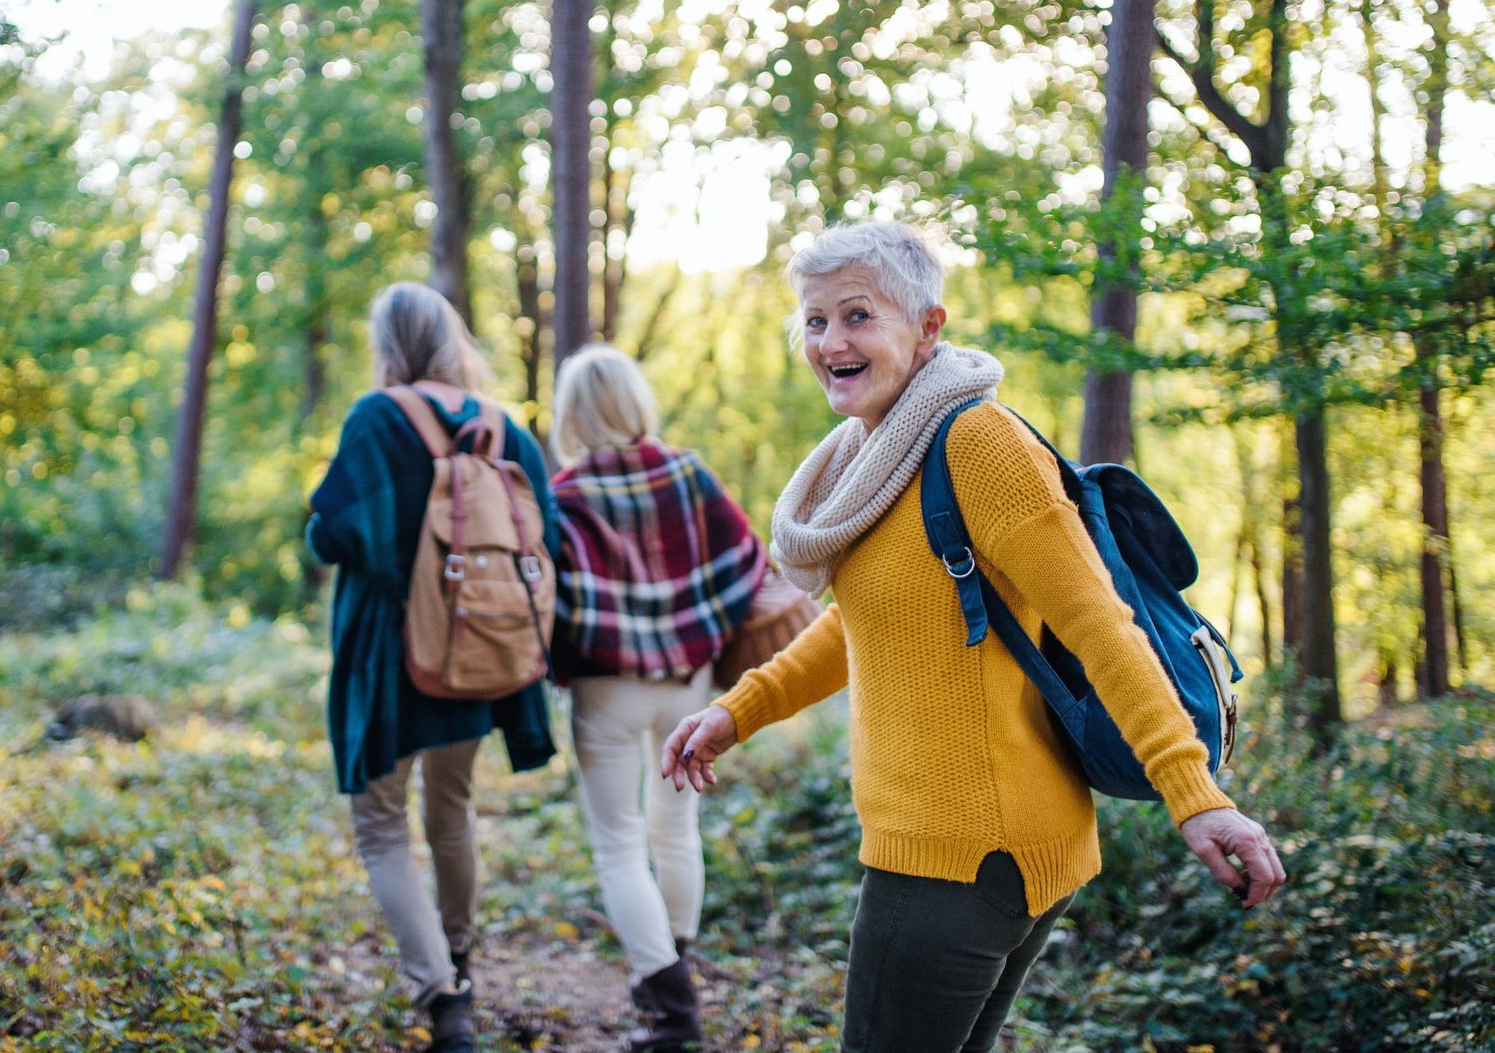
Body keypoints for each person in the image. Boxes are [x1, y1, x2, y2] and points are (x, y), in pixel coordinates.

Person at [660, 221, 1287, 1053]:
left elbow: (1102, 625)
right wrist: (741, 710)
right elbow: (870, 620)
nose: (829, 342)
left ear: (928, 328)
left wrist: (1195, 796)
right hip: (973, 850)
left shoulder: (978, 445)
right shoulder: (878, 455)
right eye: (814, 321)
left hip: (957, 859)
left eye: (857, 316)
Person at [306, 283, 562, 1053]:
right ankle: (461, 959)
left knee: (382, 825)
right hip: (483, 650)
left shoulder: (378, 418)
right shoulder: (505, 430)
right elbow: (545, 531)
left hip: (391, 654)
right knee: (451, 812)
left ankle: (440, 998)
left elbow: (333, 532)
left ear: (388, 343)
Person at [549, 345, 767, 1052]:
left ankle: (669, 1009)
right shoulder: (687, 474)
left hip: (605, 685)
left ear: (574, 414)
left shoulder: (567, 494)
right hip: (687, 682)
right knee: (675, 829)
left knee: (619, 844)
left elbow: (551, 600)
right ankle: (674, 969)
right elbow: (748, 564)